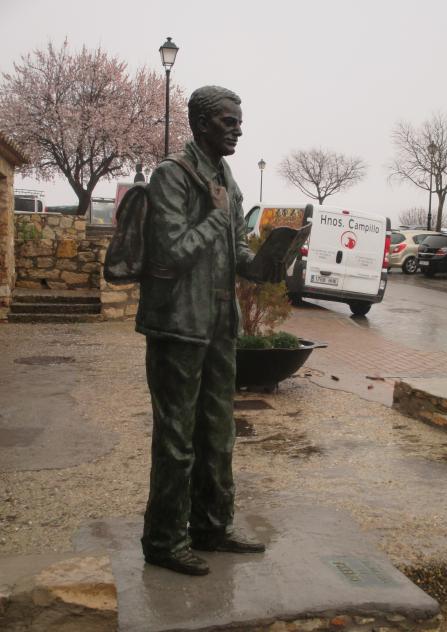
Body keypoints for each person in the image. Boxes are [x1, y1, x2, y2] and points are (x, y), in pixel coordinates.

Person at [136, 85, 265, 576]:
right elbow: (170, 252)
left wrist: (263, 263)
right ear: (201, 123)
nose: (238, 130)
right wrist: (214, 217)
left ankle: (212, 526)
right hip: (178, 325)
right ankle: (164, 541)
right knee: (177, 438)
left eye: (239, 122)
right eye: (229, 122)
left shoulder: (227, 178)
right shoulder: (172, 175)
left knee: (218, 431)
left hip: (218, 326)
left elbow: (237, 250)